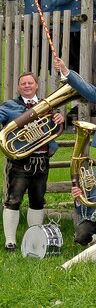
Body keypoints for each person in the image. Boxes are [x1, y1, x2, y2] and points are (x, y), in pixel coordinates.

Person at [0, 72, 64, 251]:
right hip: (20, 161)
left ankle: (34, 236)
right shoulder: (10, 106)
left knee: (38, 200)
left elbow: (56, 126)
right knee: (13, 199)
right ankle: (10, 241)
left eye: (30, 83)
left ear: (36, 85)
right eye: (23, 84)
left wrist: (60, 119)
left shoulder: (47, 105)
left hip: (42, 160)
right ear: (19, 87)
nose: (27, 86)